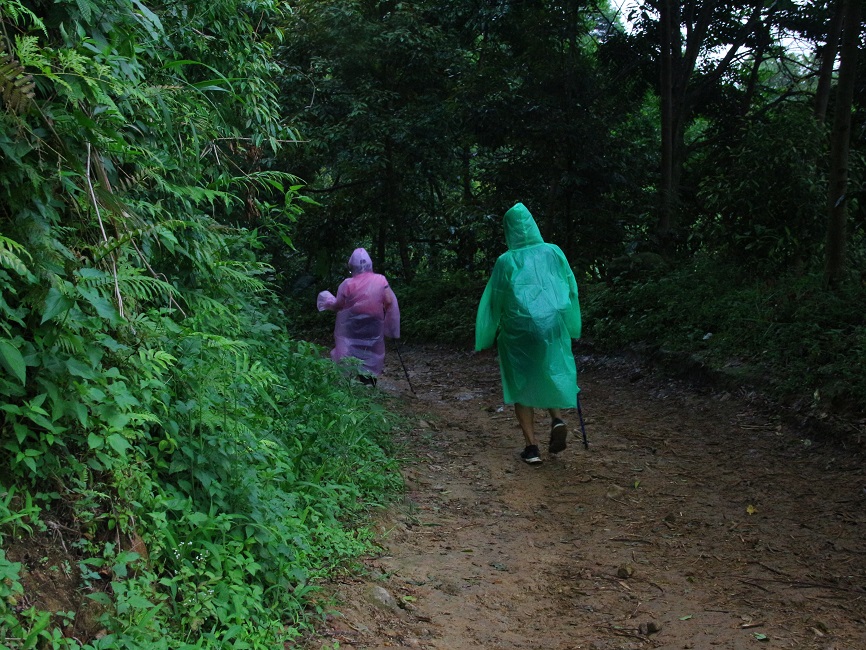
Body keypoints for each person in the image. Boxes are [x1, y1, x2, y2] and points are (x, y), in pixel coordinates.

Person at [475, 202, 582, 464]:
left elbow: (494, 301)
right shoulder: (554, 252)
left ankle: (532, 448)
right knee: (547, 370)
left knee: (520, 382)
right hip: (552, 326)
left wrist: (487, 335)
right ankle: (556, 419)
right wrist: (571, 324)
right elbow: (570, 287)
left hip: (518, 330)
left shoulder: (505, 261)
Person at [317, 248, 400, 386]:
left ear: (352, 266)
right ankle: (369, 382)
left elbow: (339, 305)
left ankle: (347, 384)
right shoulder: (380, 280)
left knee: (348, 351)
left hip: (351, 327)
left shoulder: (347, 284)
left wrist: (328, 302)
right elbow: (389, 301)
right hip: (373, 324)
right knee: (371, 351)